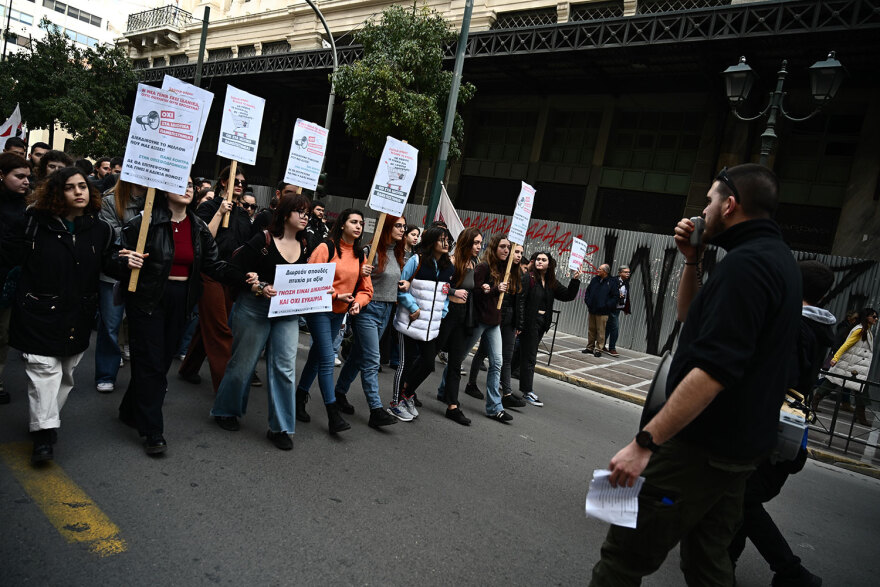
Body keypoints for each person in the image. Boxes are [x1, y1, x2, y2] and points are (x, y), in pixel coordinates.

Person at [589, 164, 801, 586]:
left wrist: (644, 442)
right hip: (734, 453)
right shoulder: (771, 259)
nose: (702, 211)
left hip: (697, 448)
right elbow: (690, 316)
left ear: (730, 205)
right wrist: (693, 261)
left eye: (708, 201)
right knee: (708, 563)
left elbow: (713, 371)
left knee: (622, 556)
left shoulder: (748, 267)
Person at [728, 259, 834, 587]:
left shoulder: (794, 327)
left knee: (742, 498)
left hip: (769, 432)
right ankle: (725, 559)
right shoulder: (820, 328)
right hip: (790, 431)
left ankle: (790, 571)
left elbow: (776, 380)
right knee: (740, 498)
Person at [1, 167, 115, 463]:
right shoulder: (32, 223)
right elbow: (10, 257)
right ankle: (44, 435)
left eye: (83, 186)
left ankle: (44, 419)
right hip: (38, 312)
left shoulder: (100, 229)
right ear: (56, 193)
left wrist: (126, 261)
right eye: (70, 187)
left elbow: (107, 265)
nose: (79, 191)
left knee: (65, 375)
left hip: (77, 315)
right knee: (43, 373)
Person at [117, 178, 237, 455]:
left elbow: (214, 264)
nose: (187, 187)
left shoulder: (197, 228)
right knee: (152, 364)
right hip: (147, 299)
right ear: (162, 188)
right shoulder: (144, 222)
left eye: (191, 184)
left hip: (181, 300)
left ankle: (128, 409)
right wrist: (124, 260)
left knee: (159, 360)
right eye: (179, 181)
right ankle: (152, 430)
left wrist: (245, 278)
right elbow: (115, 257)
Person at [211, 192, 318, 450]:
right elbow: (230, 269)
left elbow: (304, 280)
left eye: (307, 212)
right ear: (284, 214)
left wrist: (318, 291)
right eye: (300, 211)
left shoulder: (305, 244)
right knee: (243, 363)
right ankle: (226, 410)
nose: (305, 216)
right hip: (254, 307)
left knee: (285, 368)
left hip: (286, 313)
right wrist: (257, 285)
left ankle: (281, 427)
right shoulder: (263, 239)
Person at [295, 208, 373, 434]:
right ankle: (332, 414)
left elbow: (366, 289)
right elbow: (309, 281)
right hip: (319, 309)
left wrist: (358, 302)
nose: (359, 226)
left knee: (317, 356)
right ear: (342, 224)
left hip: (339, 313)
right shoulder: (325, 247)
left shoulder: (360, 255)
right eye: (354, 222)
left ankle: (300, 397)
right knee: (327, 358)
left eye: (361, 223)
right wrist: (336, 295)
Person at [178, 166, 254, 391]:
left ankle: (188, 367)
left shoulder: (242, 215)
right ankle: (226, 388)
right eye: (235, 181)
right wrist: (220, 213)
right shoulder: (208, 207)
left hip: (230, 276)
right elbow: (201, 240)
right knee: (221, 328)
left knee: (209, 325)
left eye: (242, 182)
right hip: (209, 272)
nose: (240, 185)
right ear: (223, 182)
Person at [332, 216, 405, 429]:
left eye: (404, 226)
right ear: (387, 227)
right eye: (398, 226)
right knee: (373, 359)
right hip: (368, 309)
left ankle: (339, 393)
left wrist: (404, 284)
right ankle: (375, 409)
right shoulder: (368, 251)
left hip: (387, 310)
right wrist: (361, 272)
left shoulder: (398, 252)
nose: (402, 229)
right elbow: (354, 279)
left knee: (357, 356)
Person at [391, 226, 463, 423]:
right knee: (404, 363)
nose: (446, 243)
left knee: (428, 363)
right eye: (441, 239)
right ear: (431, 242)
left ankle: (407, 395)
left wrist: (443, 312)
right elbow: (400, 286)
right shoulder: (417, 260)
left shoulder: (449, 267)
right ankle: (395, 403)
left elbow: (446, 292)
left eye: (448, 239)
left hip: (431, 327)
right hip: (409, 322)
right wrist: (412, 307)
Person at [454, 234, 526, 415]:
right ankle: (444, 390)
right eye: (502, 247)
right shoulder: (483, 267)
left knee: (497, 362)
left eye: (508, 248)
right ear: (494, 248)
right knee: (460, 356)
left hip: (494, 322)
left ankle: (494, 407)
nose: (506, 250)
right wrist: (494, 289)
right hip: (479, 320)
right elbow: (475, 294)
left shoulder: (507, 270)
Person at [94, 179, 148, 393]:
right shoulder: (110, 200)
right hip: (114, 272)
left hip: (145, 271)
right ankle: (106, 373)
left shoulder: (158, 200)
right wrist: (140, 231)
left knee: (144, 328)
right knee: (110, 325)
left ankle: (146, 379)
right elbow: (111, 233)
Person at [518, 251, 581, 407]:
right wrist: (519, 324)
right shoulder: (529, 278)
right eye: (538, 259)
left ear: (549, 264)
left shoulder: (551, 282)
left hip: (542, 323)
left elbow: (567, 295)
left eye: (543, 259)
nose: (540, 261)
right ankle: (527, 391)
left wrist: (575, 280)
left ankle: (502, 379)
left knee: (521, 353)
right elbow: (520, 301)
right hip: (529, 322)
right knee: (530, 357)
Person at [0, 153, 33, 405]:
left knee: (2, 334)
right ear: (1, 175)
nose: (25, 182)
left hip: (11, 280)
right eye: (19, 176)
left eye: (27, 177)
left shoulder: (29, 207)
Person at [812, 307, 877, 425]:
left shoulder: (866, 330)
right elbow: (846, 345)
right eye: (874, 316)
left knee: (859, 389)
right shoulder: (860, 330)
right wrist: (835, 358)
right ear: (867, 317)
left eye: (876, 317)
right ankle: (814, 402)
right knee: (832, 383)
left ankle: (860, 416)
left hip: (855, 366)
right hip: (850, 365)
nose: (876, 319)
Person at [582, 264, 617, 358]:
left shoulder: (612, 282)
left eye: (600, 269)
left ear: (605, 271)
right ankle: (590, 347)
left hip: (603, 312)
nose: (597, 270)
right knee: (591, 330)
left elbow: (615, 297)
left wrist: (606, 306)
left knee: (601, 331)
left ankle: (598, 349)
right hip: (592, 309)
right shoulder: (595, 280)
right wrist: (588, 301)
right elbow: (588, 291)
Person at [603, 265, 631, 357]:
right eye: (626, 272)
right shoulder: (613, 281)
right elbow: (608, 293)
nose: (628, 274)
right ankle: (612, 348)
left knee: (608, 327)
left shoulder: (626, 282)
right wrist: (618, 296)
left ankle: (601, 345)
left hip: (618, 308)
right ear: (620, 273)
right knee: (615, 328)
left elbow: (627, 296)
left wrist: (626, 308)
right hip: (612, 308)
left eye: (628, 272)